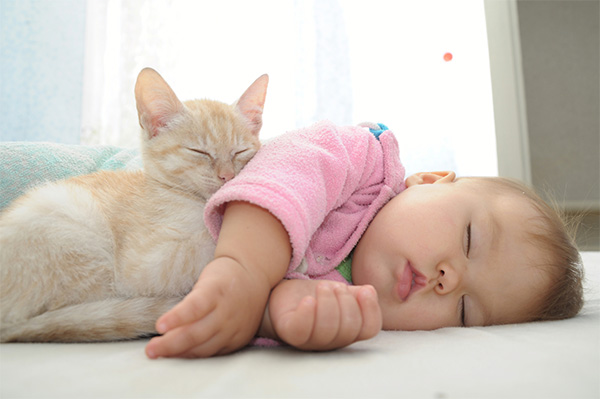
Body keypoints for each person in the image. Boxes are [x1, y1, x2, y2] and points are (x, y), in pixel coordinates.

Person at [144, 121, 583, 358]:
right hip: (118, 193)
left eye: (465, 310)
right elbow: (288, 173)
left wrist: (282, 319)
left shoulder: (349, 302)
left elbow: (260, 306)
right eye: (469, 239)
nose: (449, 280)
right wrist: (245, 269)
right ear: (429, 180)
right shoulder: (363, 160)